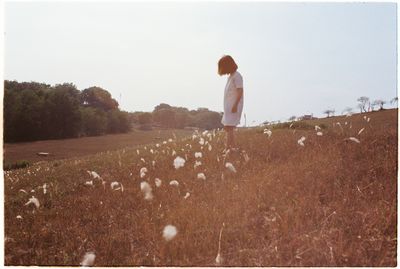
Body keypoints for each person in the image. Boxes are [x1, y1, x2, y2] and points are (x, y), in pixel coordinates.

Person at [218, 55, 244, 151]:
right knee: (228, 128)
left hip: (234, 106)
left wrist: (235, 105)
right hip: (229, 107)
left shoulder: (237, 76)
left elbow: (240, 91)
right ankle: (232, 148)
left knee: (229, 127)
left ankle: (228, 149)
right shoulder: (231, 76)